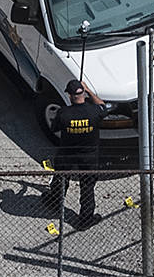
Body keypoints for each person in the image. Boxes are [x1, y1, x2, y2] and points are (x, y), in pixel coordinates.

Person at [41, 79, 107, 228]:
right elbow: (103, 106)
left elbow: (54, 128)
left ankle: (55, 203)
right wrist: (89, 91)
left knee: (61, 179)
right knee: (87, 186)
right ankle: (85, 219)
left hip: (67, 154)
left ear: (70, 96)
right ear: (83, 94)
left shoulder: (63, 113)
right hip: (89, 156)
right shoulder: (94, 111)